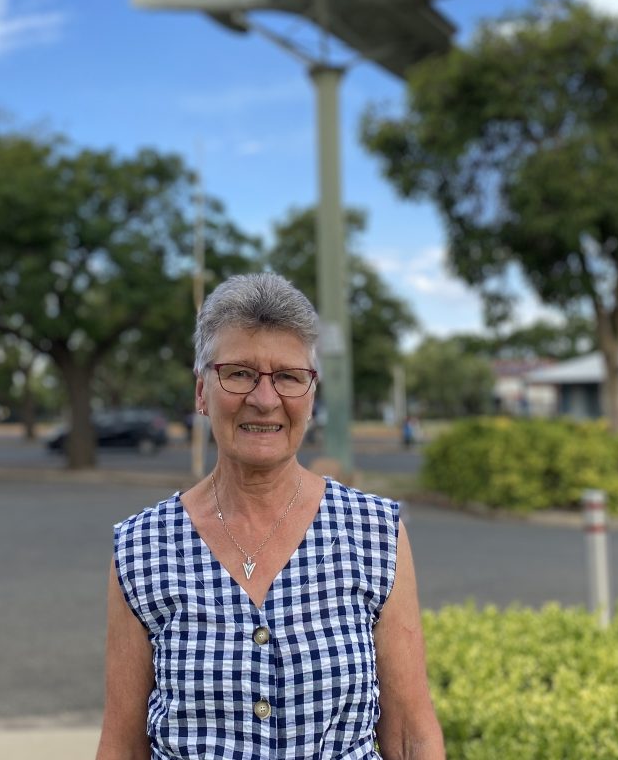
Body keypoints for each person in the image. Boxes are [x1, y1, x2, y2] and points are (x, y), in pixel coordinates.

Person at [96, 272, 445, 760]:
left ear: (311, 392)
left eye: (288, 376)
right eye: (238, 373)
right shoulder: (141, 548)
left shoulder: (375, 534)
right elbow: (123, 745)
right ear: (202, 392)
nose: (264, 398)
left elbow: (410, 735)